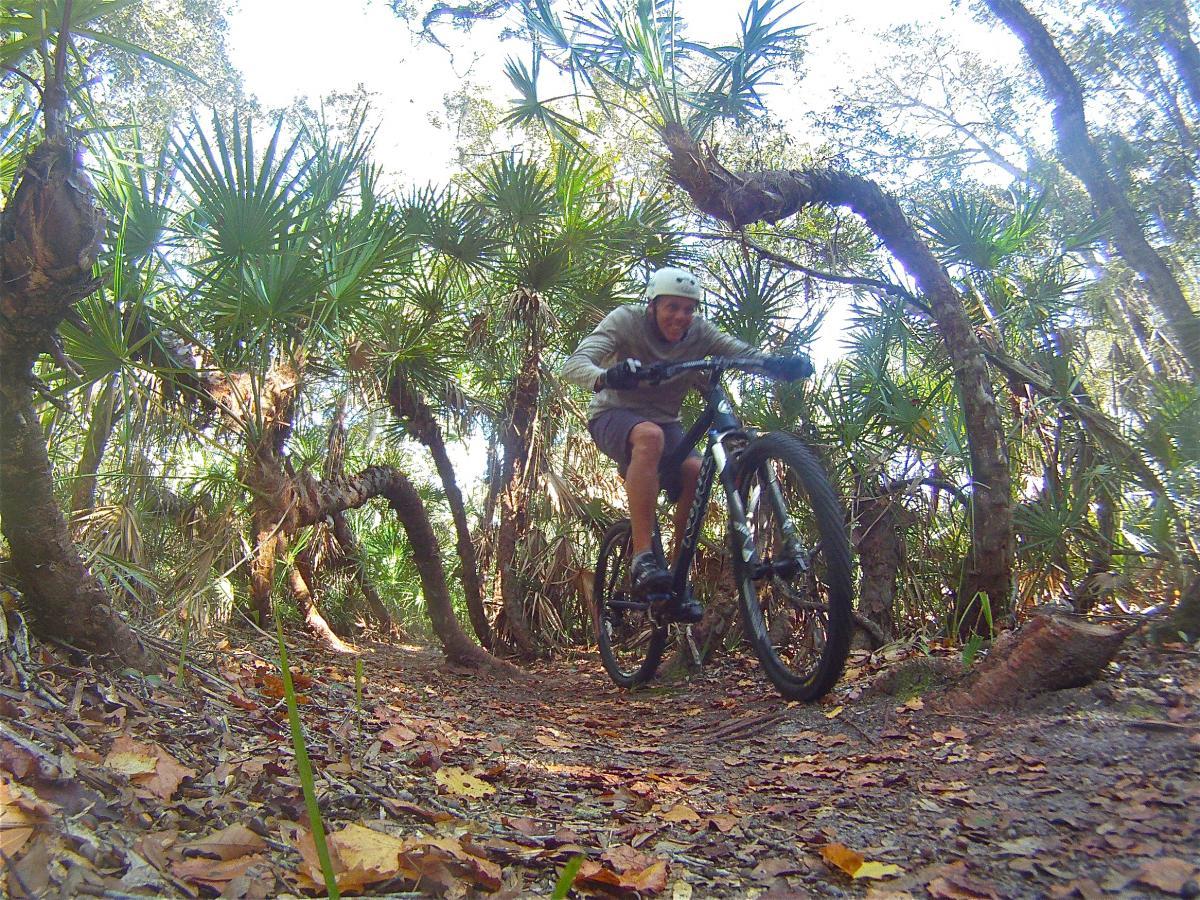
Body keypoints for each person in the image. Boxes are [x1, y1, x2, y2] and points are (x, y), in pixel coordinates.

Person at [561, 266, 813, 621]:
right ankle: (643, 558)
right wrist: (607, 375)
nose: (681, 316)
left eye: (688, 309)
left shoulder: (699, 332)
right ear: (653, 305)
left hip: (666, 423)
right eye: (672, 308)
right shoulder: (625, 321)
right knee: (649, 436)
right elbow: (573, 365)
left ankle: (677, 577)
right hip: (613, 416)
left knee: (696, 469)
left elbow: (738, 351)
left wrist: (776, 365)